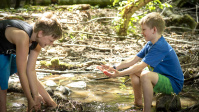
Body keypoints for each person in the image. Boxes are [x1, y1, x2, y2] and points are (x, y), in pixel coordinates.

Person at [97, 12, 184, 112]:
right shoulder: (150, 43)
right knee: (134, 72)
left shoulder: (160, 46)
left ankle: (146, 110)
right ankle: (138, 104)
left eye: (144, 29)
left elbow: (140, 66)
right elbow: (134, 60)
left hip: (174, 84)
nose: (142, 32)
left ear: (154, 29)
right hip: (162, 77)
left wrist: (119, 74)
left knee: (145, 75)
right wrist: (114, 67)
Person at [0, 12, 62, 112]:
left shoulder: (37, 43)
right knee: (2, 83)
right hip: (1, 52)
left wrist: (36, 95)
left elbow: (30, 70)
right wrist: (29, 99)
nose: (51, 44)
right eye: (51, 40)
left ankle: (50, 103)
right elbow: (22, 73)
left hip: (7, 50)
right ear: (41, 33)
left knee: (20, 69)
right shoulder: (23, 37)